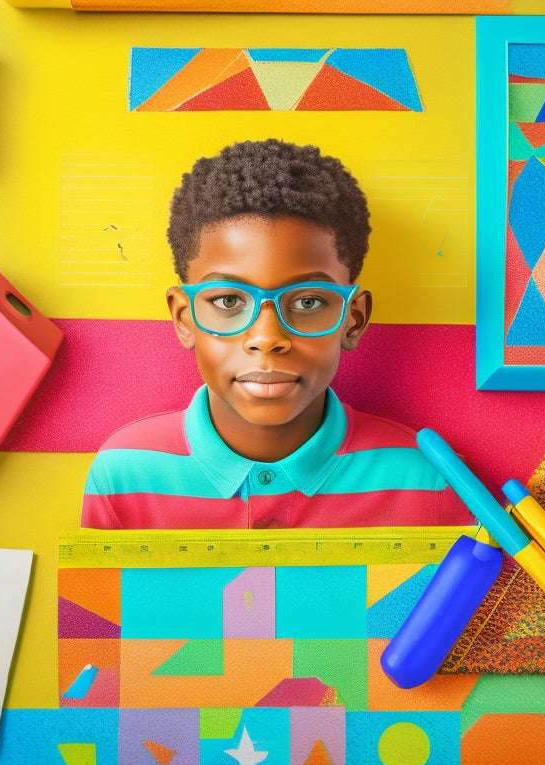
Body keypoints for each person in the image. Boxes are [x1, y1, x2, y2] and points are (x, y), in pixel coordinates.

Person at [81, 138, 471, 529]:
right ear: (184, 318)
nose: (267, 338)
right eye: (229, 300)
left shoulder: (424, 480)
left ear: (353, 320)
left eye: (307, 302)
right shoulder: (124, 476)